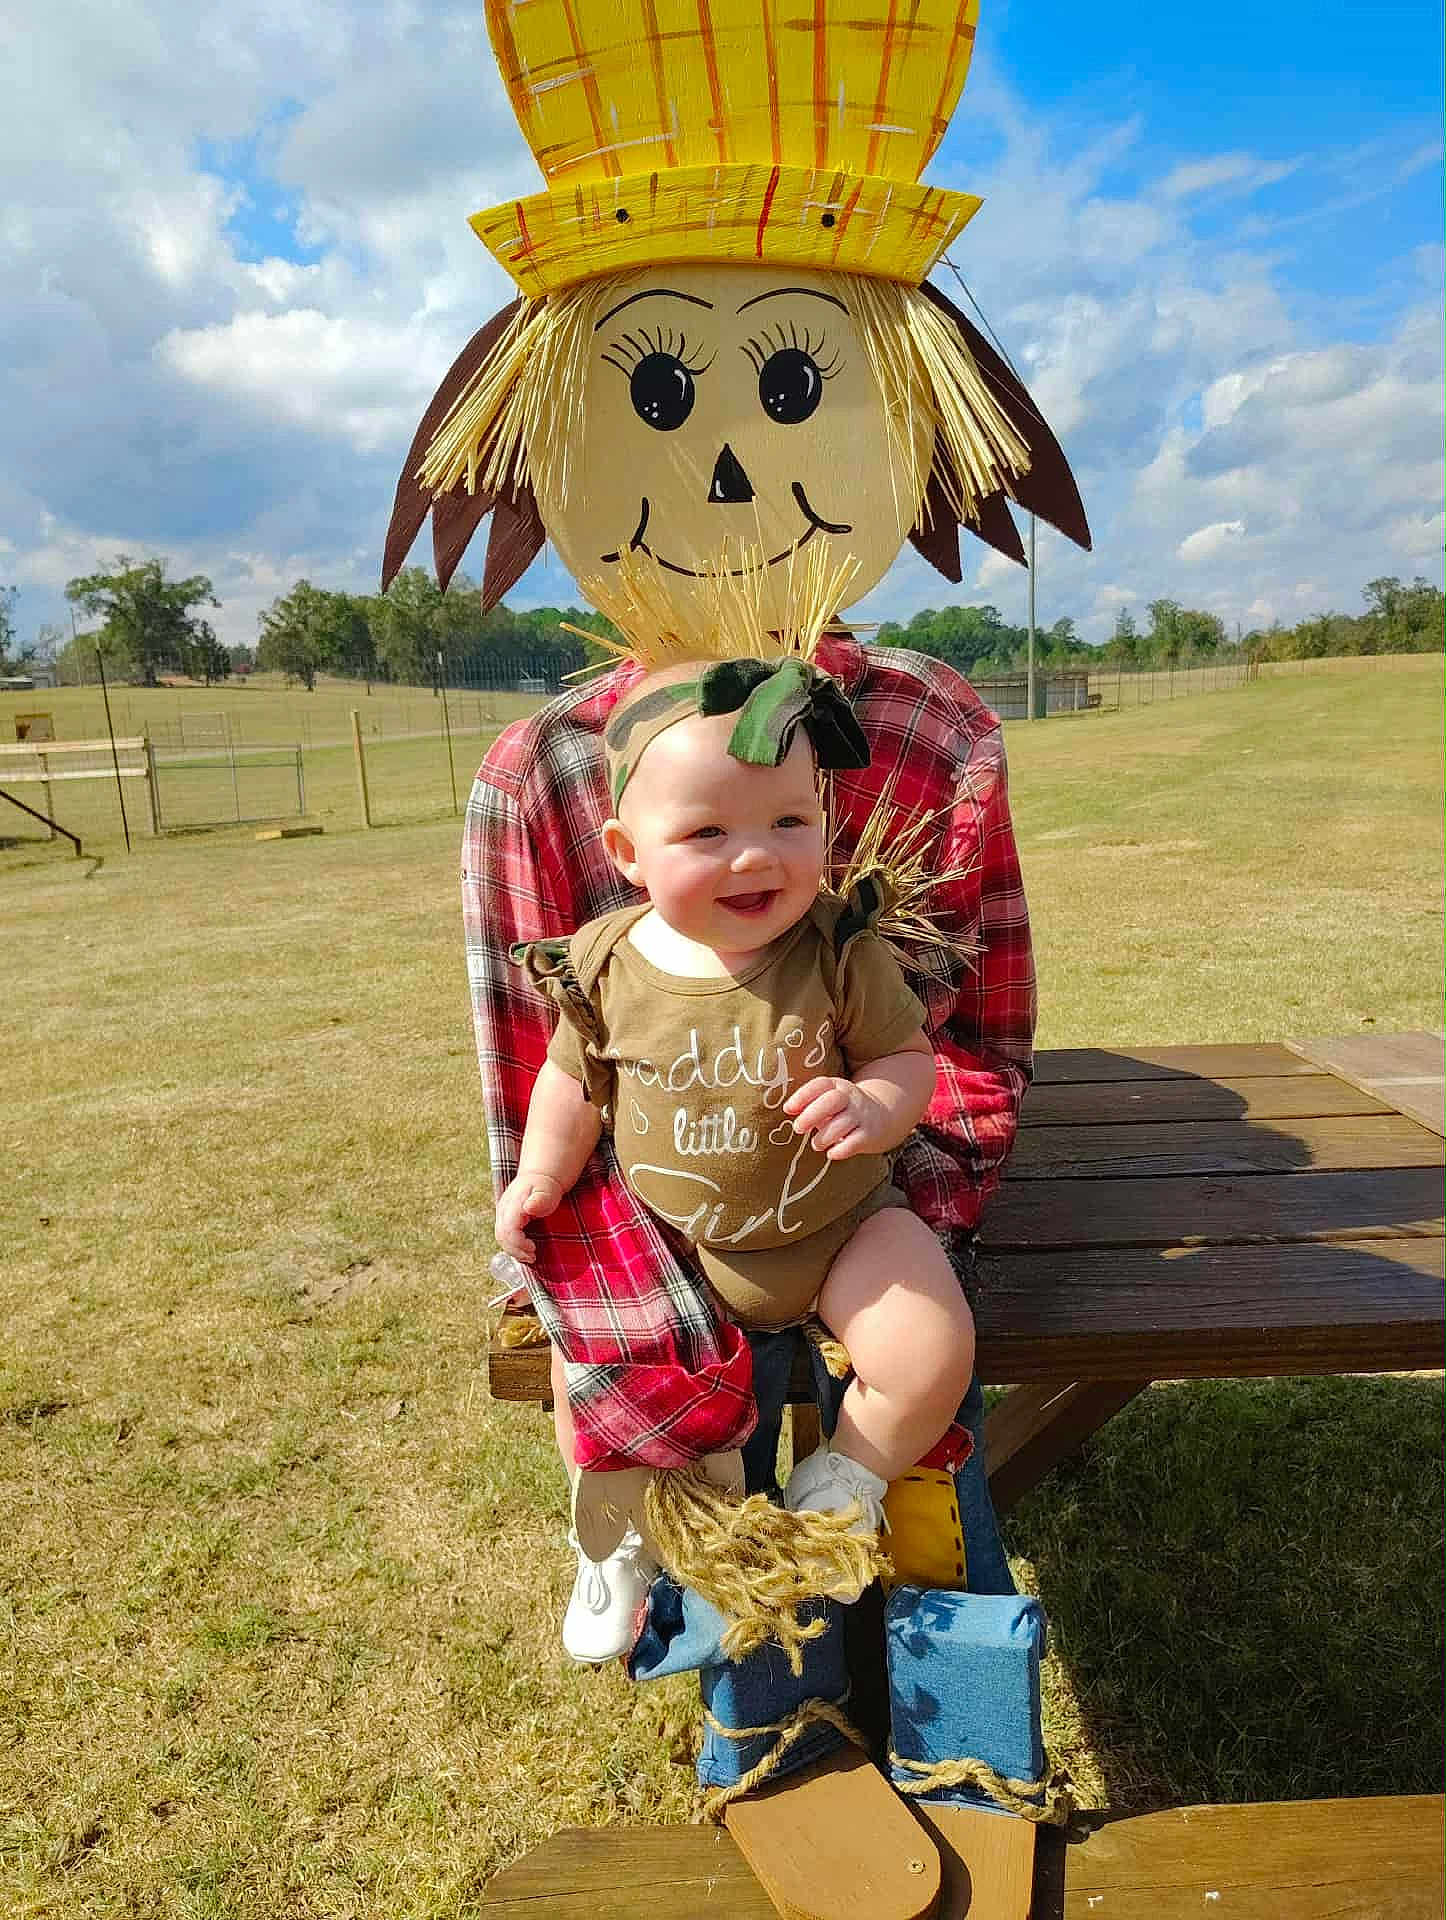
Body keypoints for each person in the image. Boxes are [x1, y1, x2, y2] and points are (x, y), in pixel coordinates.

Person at [494, 655, 979, 1657]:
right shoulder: (609, 963)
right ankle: (618, 1534)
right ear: (628, 851)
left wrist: (874, 1103)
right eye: (708, 834)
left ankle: (848, 1474)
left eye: (788, 822)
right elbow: (570, 1084)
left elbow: (905, 1060)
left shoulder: (839, 950)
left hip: (841, 1229)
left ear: (824, 822)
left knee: (932, 1347)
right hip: (675, 1249)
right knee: (590, 1378)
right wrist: (541, 1175)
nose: (755, 858)